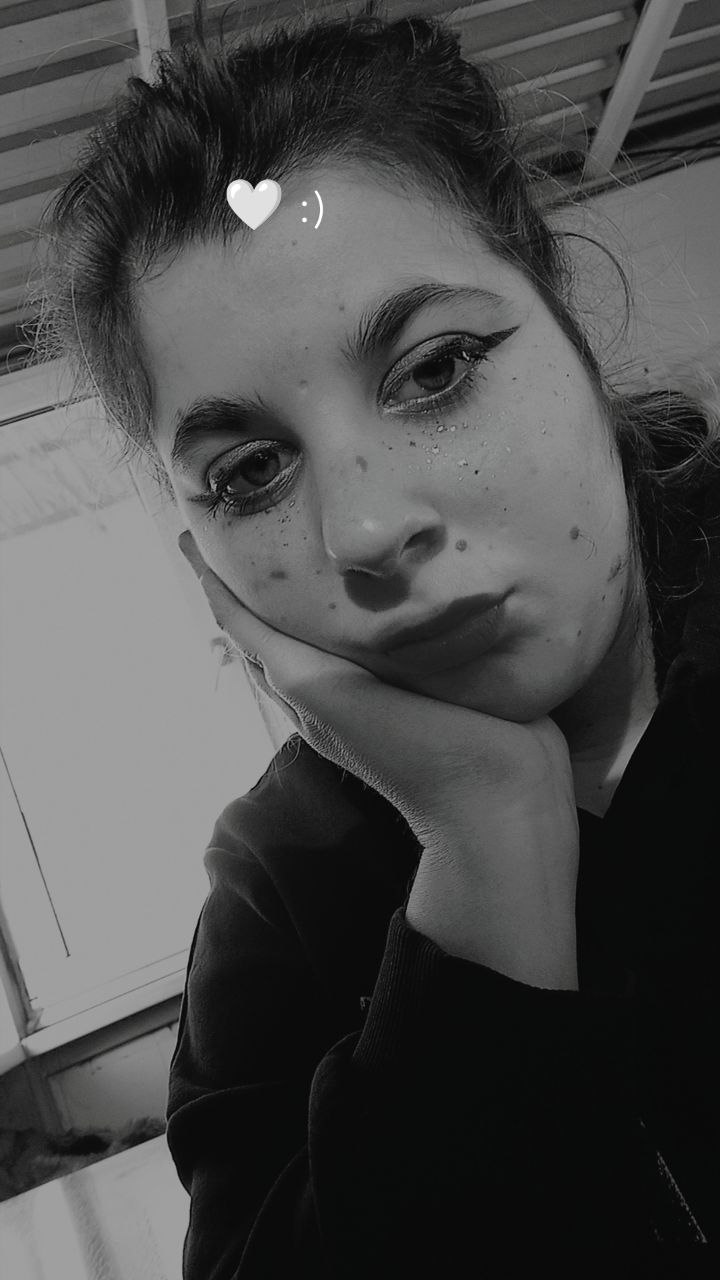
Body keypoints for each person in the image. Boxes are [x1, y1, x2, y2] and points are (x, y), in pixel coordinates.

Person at [32, 0, 719, 1269]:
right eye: (249, 472)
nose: (363, 528)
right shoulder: (277, 899)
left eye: (437, 368)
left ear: (564, 318)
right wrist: (484, 847)